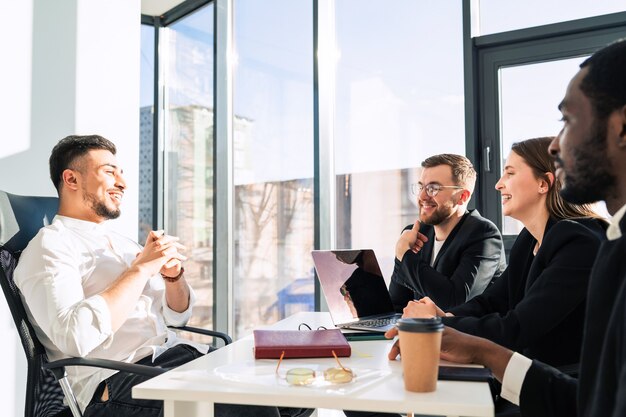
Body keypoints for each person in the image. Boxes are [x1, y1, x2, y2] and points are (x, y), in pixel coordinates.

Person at [14, 135, 312, 417]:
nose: (123, 183)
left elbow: (176, 316)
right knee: (247, 402)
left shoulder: (122, 244)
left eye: (122, 173)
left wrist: (173, 277)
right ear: (71, 179)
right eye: (110, 172)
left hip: (173, 359)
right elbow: (74, 338)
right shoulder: (51, 245)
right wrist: (141, 269)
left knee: (292, 384)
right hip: (119, 383)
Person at [412, 39, 626, 417]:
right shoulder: (545, 240)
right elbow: (496, 301)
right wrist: (451, 326)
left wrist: (450, 327)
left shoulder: (582, 241)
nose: (557, 144)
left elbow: (519, 326)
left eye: (569, 120)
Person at [390, 154, 506, 311]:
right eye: (421, 187)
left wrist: (404, 254)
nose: (422, 196)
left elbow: (454, 303)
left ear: (462, 196)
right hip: (421, 331)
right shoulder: (415, 233)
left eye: (433, 188)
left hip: (465, 334)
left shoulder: (484, 234)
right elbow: (397, 304)